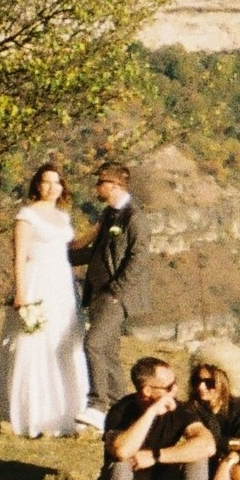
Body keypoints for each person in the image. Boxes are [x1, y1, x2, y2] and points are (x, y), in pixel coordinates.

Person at [0, 162, 94, 438]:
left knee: (63, 341)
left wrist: (96, 232)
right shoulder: (26, 215)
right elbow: (20, 256)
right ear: (37, 185)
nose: (52, 187)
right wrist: (21, 293)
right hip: (37, 281)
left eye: (57, 182)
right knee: (34, 342)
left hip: (61, 284)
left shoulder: (62, 217)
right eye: (46, 181)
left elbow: (69, 247)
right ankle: (31, 413)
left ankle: (63, 411)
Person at [74, 159, 149, 428]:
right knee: (108, 352)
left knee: (92, 344)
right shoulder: (108, 215)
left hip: (114, 296)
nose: (96, 187)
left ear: (114, 185)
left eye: (100, 182)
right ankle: (123, 410)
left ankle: (98, 404)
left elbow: (138, 258)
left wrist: (117, 290)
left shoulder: (135, 218)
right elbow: (96, 252)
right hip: (99, 292)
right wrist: (60, 257)